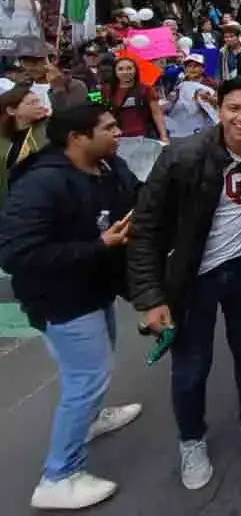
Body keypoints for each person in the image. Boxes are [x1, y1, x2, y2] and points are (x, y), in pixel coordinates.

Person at [126, 75, 241, 490]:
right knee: (191, 367)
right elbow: (144, 228)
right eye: (233, 108)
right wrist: (150, 297)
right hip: (191, 280)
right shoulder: (183, 156)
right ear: (218, 109)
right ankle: (191, 440)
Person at [0, 103, 142, 510]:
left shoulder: (109, 167)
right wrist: (98, 246)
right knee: (86, 378)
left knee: (95, 369)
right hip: (60, 300)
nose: (118, 133)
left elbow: (137, 195)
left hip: (97, 288)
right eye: (109, 127)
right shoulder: (40, 184)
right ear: (77, 138)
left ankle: (93, 419)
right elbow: (17, 255)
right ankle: (59, 475)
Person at [0, 84, 49, 208]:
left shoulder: (48, 130)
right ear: (12, 110)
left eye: (38, 101)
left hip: (37, 199)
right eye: (31, 103)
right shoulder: (3, 137)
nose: (39, 106)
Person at [102, 55, 168, 141]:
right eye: (120, 69)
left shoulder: (146, 89)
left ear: (135, 70)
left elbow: (157, 114)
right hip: (118, 137)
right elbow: (101, 113)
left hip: (144, 137)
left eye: (129, 68)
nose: (125, 72)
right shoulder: (106, 90)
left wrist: (163, 136)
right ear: (115, 72)